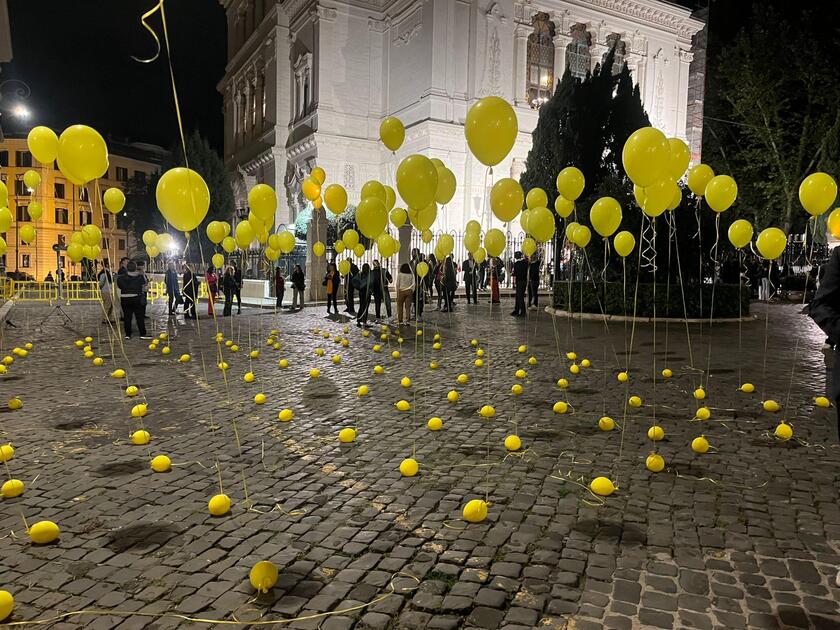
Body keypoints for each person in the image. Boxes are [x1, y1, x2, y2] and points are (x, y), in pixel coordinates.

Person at [117, 261, 150, 339]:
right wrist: (142, 273)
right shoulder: (140, 276)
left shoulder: (121, 278)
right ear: (135, 268)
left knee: (127, 317)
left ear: (127, 268)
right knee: (139, 317)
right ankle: (142, 333)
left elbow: (120, 286)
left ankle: (128, 334)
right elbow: (145, 283)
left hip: (125, 299)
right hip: (137, 298)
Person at [511, 251, 528, 316]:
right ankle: (517, 310)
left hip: (519, 281)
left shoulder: (516, 264)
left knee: (519, 297)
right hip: (524, 281)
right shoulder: (525, 263)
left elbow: (515, 273)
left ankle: (523, 311)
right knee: (518, 296)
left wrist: (512, 274)